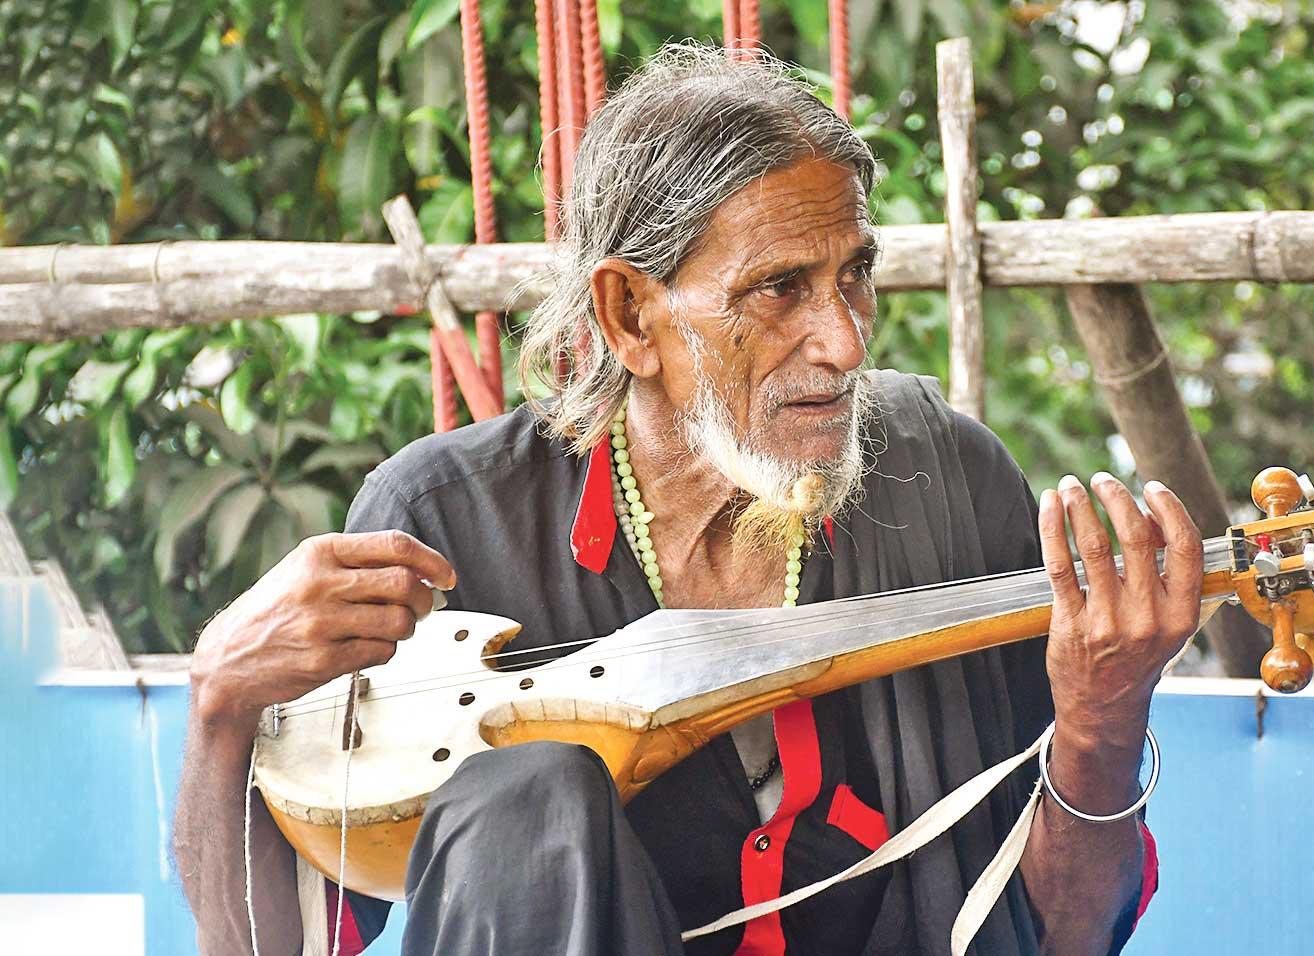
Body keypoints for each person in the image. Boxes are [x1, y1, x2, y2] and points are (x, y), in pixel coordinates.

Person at [173, 44, 1202, 956]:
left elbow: (1065, 937)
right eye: (779, 289)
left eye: (854, 275)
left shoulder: (945, 479)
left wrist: (1100, 719)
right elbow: (280, 944)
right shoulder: (447, 525)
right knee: (529, 793)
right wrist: (223, 704)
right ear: (631, 316)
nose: (842, 341)